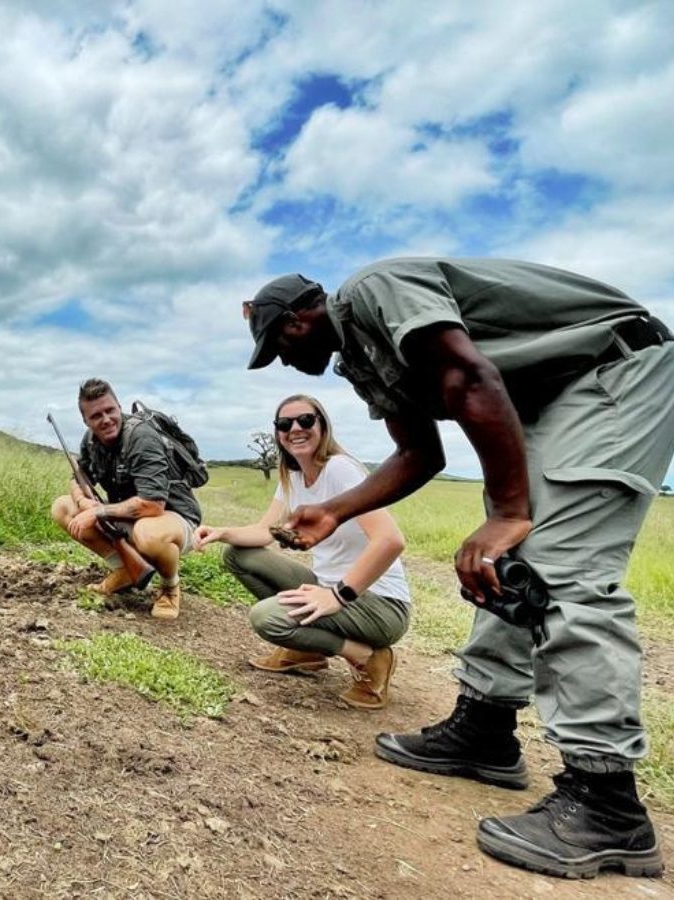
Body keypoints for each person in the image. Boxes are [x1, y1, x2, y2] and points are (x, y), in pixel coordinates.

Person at [244, 258, 674, 879]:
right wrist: (334, 511)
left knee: (562, 569)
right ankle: (486, 730)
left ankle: (607, 802)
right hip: (546, 400)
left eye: (277, 346)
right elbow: (420, 452)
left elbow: (470, 377)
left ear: (300, 318)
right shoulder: (363, 359)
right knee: (506, 563)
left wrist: (505, 509)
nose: (283, 364)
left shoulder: (372, 292)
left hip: (612, 373)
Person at [196, 394, 411, 709]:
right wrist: (221, 532)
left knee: (267, 619)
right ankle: (308, 651)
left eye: (305, 420)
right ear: (278, 433)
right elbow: (264, 532)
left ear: (322, 425)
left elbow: (391, 540)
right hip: (328, 587)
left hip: (380, 605)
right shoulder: (292, 475)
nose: (295, 428)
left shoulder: (340, 469)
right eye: (285, 423)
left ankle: (369, 656)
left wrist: (336, 596)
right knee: (237, 555)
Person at [51, 378, 202, 620]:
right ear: (85, 420)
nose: (106, 419)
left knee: (148, 533)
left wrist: (98, 512)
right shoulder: (90, 440)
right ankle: (124, 570)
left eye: (110, 410)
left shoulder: (142, 438)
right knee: (63, 507)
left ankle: (169, 588)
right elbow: (77, 478)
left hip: (173, 519)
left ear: (118, 406)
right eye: (96, 415)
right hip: (130, 517)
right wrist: (83, 503)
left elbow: (153, 505)